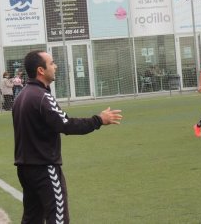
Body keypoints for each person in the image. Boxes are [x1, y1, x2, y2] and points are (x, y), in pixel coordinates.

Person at [12, 50, 123, 223]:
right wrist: (99, 120)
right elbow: (66, 124)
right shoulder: (41, 97)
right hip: (44, 168)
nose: (55, 66)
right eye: (52, 63)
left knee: (32, 218)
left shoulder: (22, 96)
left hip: (25, 167)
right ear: (41, 70)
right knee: (58, 218)